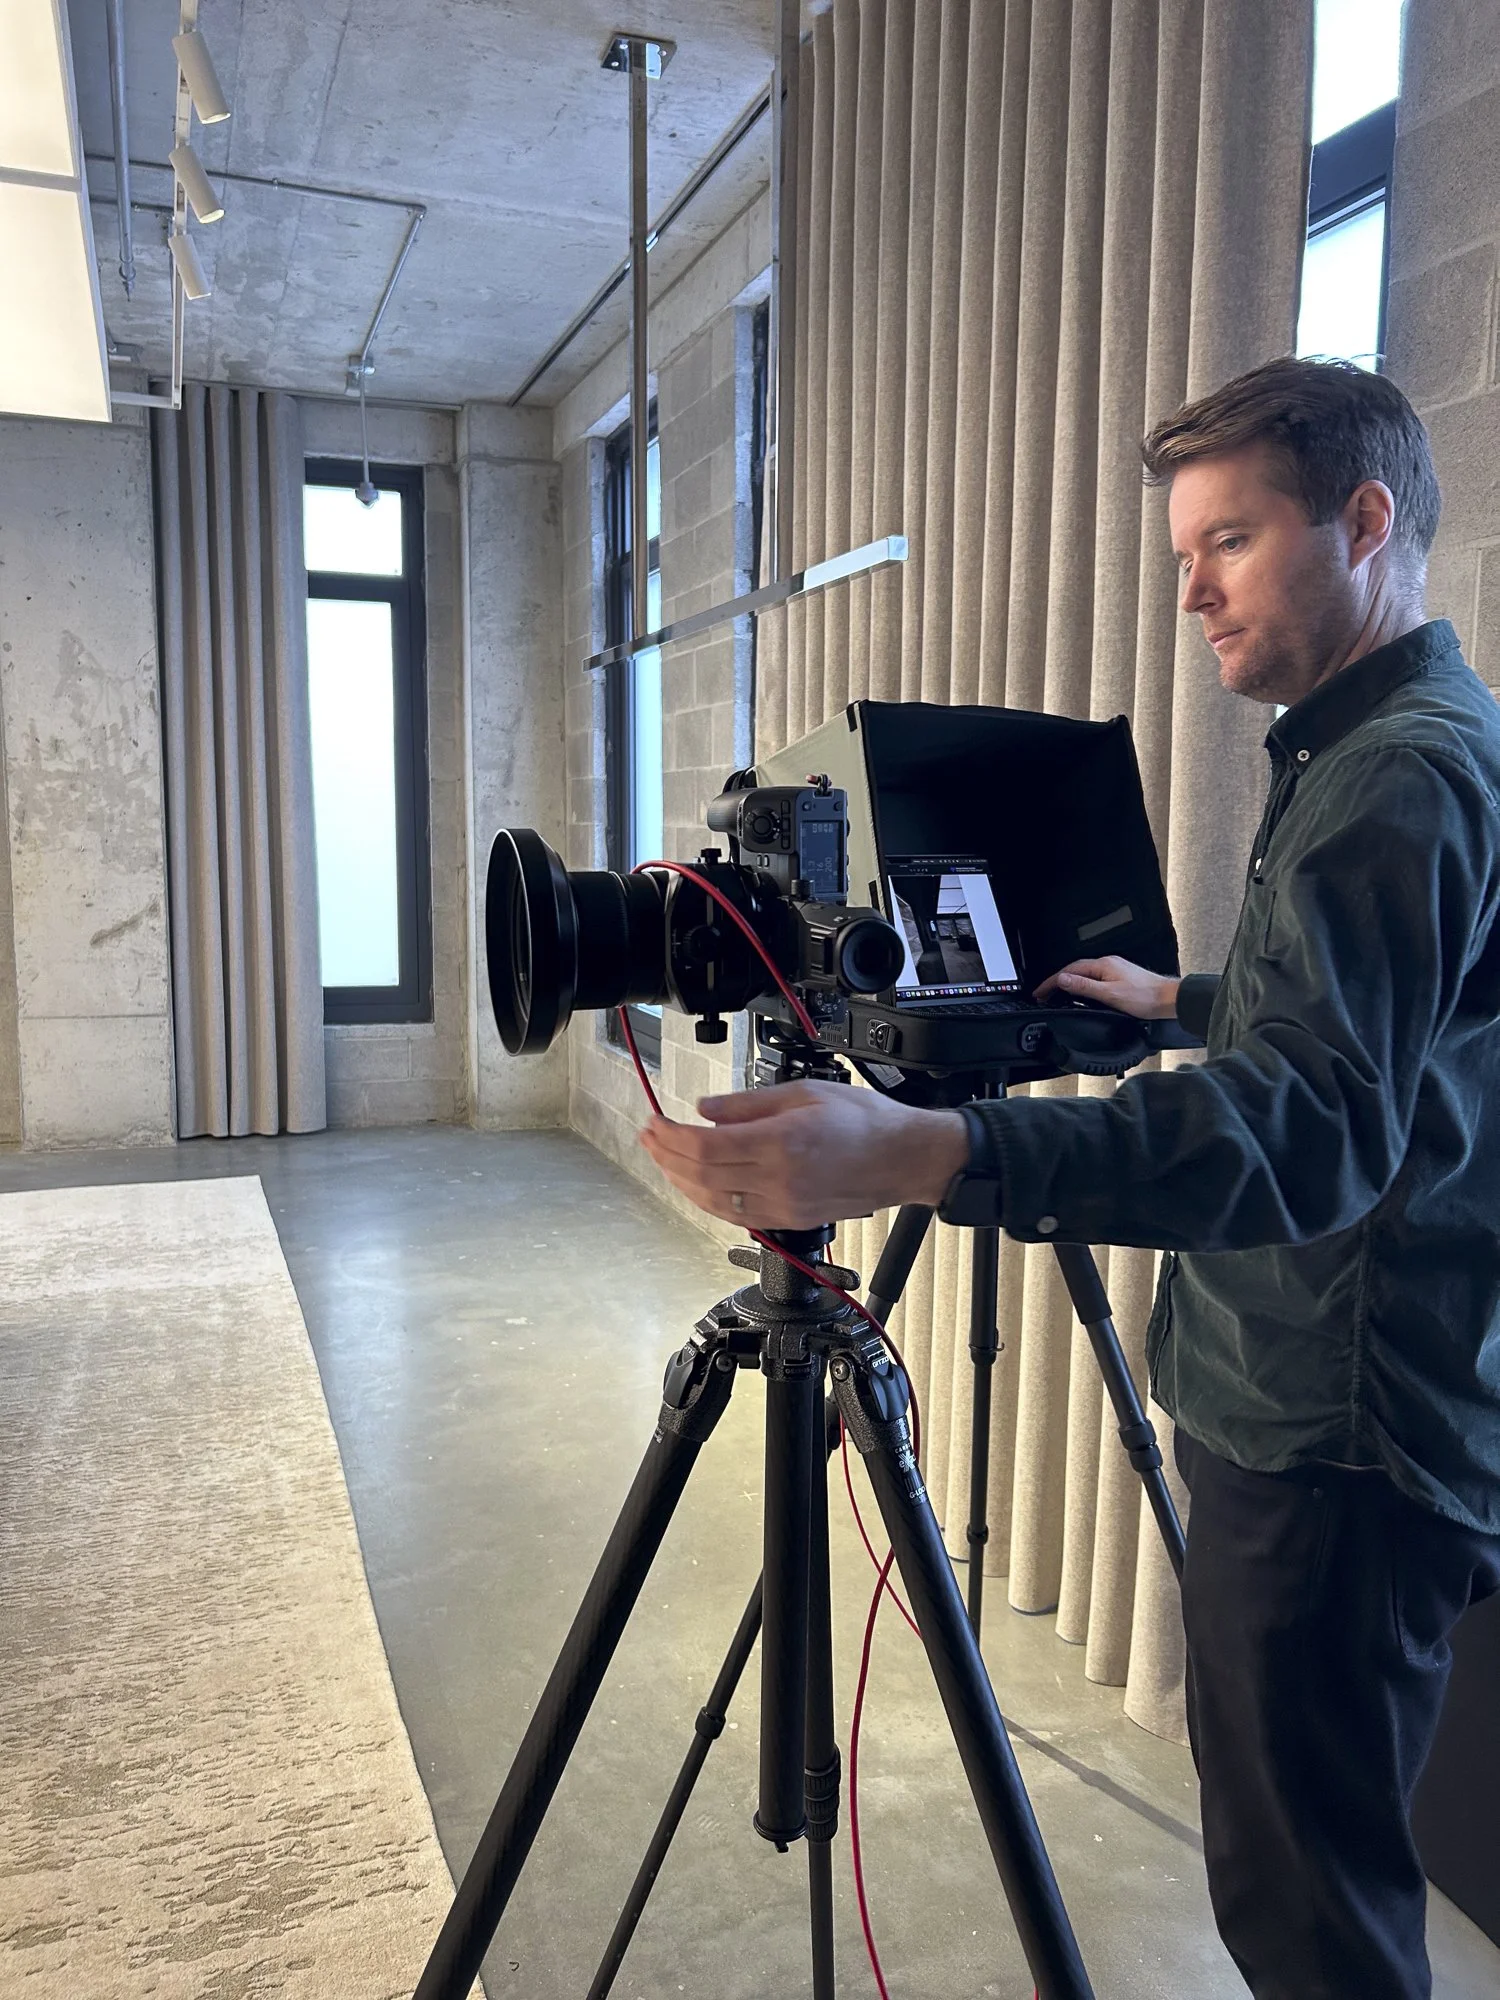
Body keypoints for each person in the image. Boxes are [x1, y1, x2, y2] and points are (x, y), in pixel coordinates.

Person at [640, 356, 1500, 2000]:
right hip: (1378, 1396)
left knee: (1308, 1906)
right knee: (1315, 1855)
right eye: (1185, 552)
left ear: (1366, 522)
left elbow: (1312, 1126)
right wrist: (1181, 1001)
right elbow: (1406, 1031)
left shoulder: (1397, 776)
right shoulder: (1407, 742)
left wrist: (922, 1146)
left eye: (1229, 542)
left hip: (1334, 1429)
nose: (1191, 590)